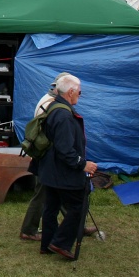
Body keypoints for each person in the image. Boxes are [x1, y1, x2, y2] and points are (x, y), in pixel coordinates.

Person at [37, 74, 97, 261]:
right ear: (71, 92)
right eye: (79, 92)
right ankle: (60, 243)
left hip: (50, 169)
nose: (80, 95)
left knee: (51, 207)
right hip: (62, 171)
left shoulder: (53, 106)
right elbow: (65, 150)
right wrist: (83, 164)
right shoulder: (64, 115)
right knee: (79, 206)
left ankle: (47, 244)